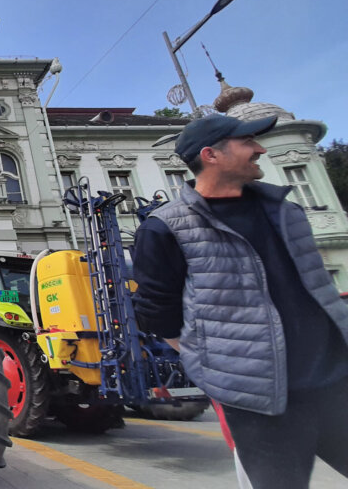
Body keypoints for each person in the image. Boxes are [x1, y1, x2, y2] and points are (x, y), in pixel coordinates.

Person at [132, 114, 348, 489]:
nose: (260, 149)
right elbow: (156, 313)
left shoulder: (289, 212)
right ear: (211, 155)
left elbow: (319, 291)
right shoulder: (165, 227)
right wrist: (217, 365)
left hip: (336, 383)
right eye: (247, 141)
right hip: (260, 403)